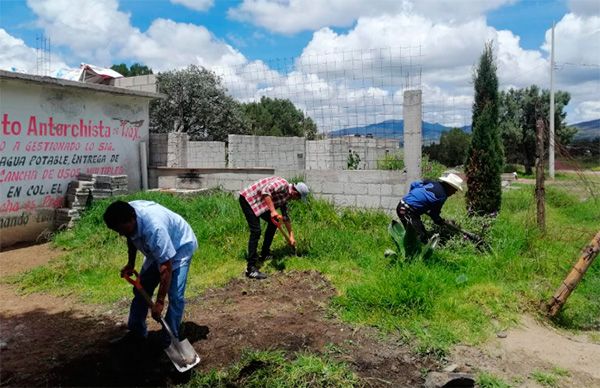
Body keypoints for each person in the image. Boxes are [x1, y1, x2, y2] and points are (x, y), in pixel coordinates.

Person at [103, 200, 198, 347]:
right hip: (157, 250)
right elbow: (130, 237)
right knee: (141, 289)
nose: (121, 234)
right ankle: (137, 333)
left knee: (175, 296)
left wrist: (159, 302)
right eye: (118, 231)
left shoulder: (154, 229)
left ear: (132, 219)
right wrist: (131, 263)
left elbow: (166, 267)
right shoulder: (126, 213)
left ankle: (170, 340)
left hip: (180, 246)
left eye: (122, 229)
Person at [239, 176, 309, 280]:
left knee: (273, 223)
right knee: (256, 231)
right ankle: (251, 269)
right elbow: (265, 191)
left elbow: (285, 217)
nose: (297, 200)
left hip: (260, 203)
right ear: (295, 193)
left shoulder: (286, 197)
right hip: (248, 200)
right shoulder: (283, 184)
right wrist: (272, 211)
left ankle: (264, 253)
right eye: (298, 198)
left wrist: (291, 236)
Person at [396, 173, 463, 244]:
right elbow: (434, 214)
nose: (454, 192)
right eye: (455, 189)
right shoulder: (441, 196)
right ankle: (411, 253)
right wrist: (439, 221)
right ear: (449, 186)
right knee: (418, 238)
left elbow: (414, 184)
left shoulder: (432, 182)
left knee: (424, 236)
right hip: (406, 211)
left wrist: (412, 197)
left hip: (408, 209)